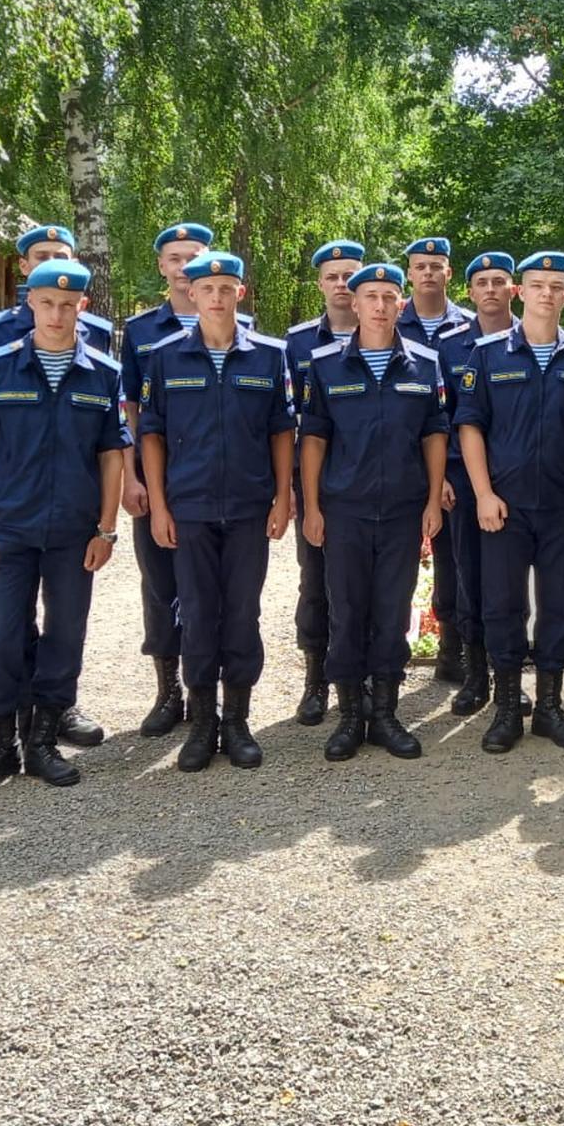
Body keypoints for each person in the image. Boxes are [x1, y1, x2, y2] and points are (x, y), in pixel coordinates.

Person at [0, 260, 126, 792]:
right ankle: (1, 743)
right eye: (47, 303)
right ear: (29, 302)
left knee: (65, 635)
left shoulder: (103, 372)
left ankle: (43, 740)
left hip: (74, 532)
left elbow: (111, 458)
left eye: (68, 304)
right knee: (0, 638)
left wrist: (105, 529)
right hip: (8, 530)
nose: (57, 313)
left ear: (83, 307)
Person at [140, 251, 295, 771]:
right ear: (192, 293)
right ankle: (203, 722)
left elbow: (281, 430)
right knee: (200, 614)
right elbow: (152, 436)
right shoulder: (164, 357)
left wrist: (283, 496)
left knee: (244, 613)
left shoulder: (269, 357)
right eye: (207, 289)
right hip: (191, 507)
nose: (217, 297)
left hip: (250, 506)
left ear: (239, 293)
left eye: (227, 288)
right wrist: (159, 506)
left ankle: (238, 720)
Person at [454, 251, 564, 754]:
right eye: (536, 284)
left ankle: (548, 707)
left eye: (555, 285)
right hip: (506, 508)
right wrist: (483, 494)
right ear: (521, 292)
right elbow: (470, 426)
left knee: (560, 606)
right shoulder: (489, 353)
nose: (546, 292)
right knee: (503, 607)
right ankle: (504, 709)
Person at [299, 262, 448, 761]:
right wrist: (312, 507)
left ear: (400, 305)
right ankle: (348, 716)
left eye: (389, 297)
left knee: (392, 611)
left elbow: (434, 436)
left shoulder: (424, 364)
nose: (381, 306)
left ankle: (384, 713)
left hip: (404, 510)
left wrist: (432, 501)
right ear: (354, 303)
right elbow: (314, 440)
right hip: (345, 511)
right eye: (371, 297)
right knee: (346, 611)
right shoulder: (326, 365)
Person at [118, 221, 217, 739]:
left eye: (193, 256)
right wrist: (131, 479)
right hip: (159, 483)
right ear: (162, 267)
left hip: (213, 484)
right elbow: (129, 411)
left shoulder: (233, 324)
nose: (183, 267)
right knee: (161, 588)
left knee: (213, 591)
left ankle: (210, 693)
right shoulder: (140, 333)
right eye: (175, 258)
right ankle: (167, 690)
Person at [437, 252, 528, 720]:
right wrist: (441, 482)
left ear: (513, 289)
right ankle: (477, 674)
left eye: (499, 281)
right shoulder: (450, 347)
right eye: (481, 283)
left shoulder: (532, 337)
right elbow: (438, 420)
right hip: (464, 483)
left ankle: (511, 672)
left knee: (513, 585)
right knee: (470, 577)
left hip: (517, 481)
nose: (490, 289)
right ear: (468, 293)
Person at [285, 238, 364, 726]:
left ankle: (368, 679)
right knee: (315, 583)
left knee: (371, 588)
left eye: (349, 276)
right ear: (320, 283)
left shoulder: (390, 333)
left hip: (372, 483)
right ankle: (317, 679)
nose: (341, 284)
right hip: (317, 482)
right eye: (332, 276)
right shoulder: (296, 344)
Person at [399, 237, 470, 684]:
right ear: (409, 273)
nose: (428, 272)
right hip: (399, 468)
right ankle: (390, 655)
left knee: (453, 561)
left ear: (448, 273)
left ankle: (451, 649)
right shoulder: (387, 321)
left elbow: (460, 409)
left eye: (436, 265)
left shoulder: (468, 328)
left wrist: (443, 475)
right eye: (420, 265)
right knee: (396, 564)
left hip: (455, 469)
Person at [0, 224, 114, 353]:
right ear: (23, 266)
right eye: (42, 257)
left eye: (60, 257)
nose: (52, 264)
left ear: (74, 264)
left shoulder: (96, 332)